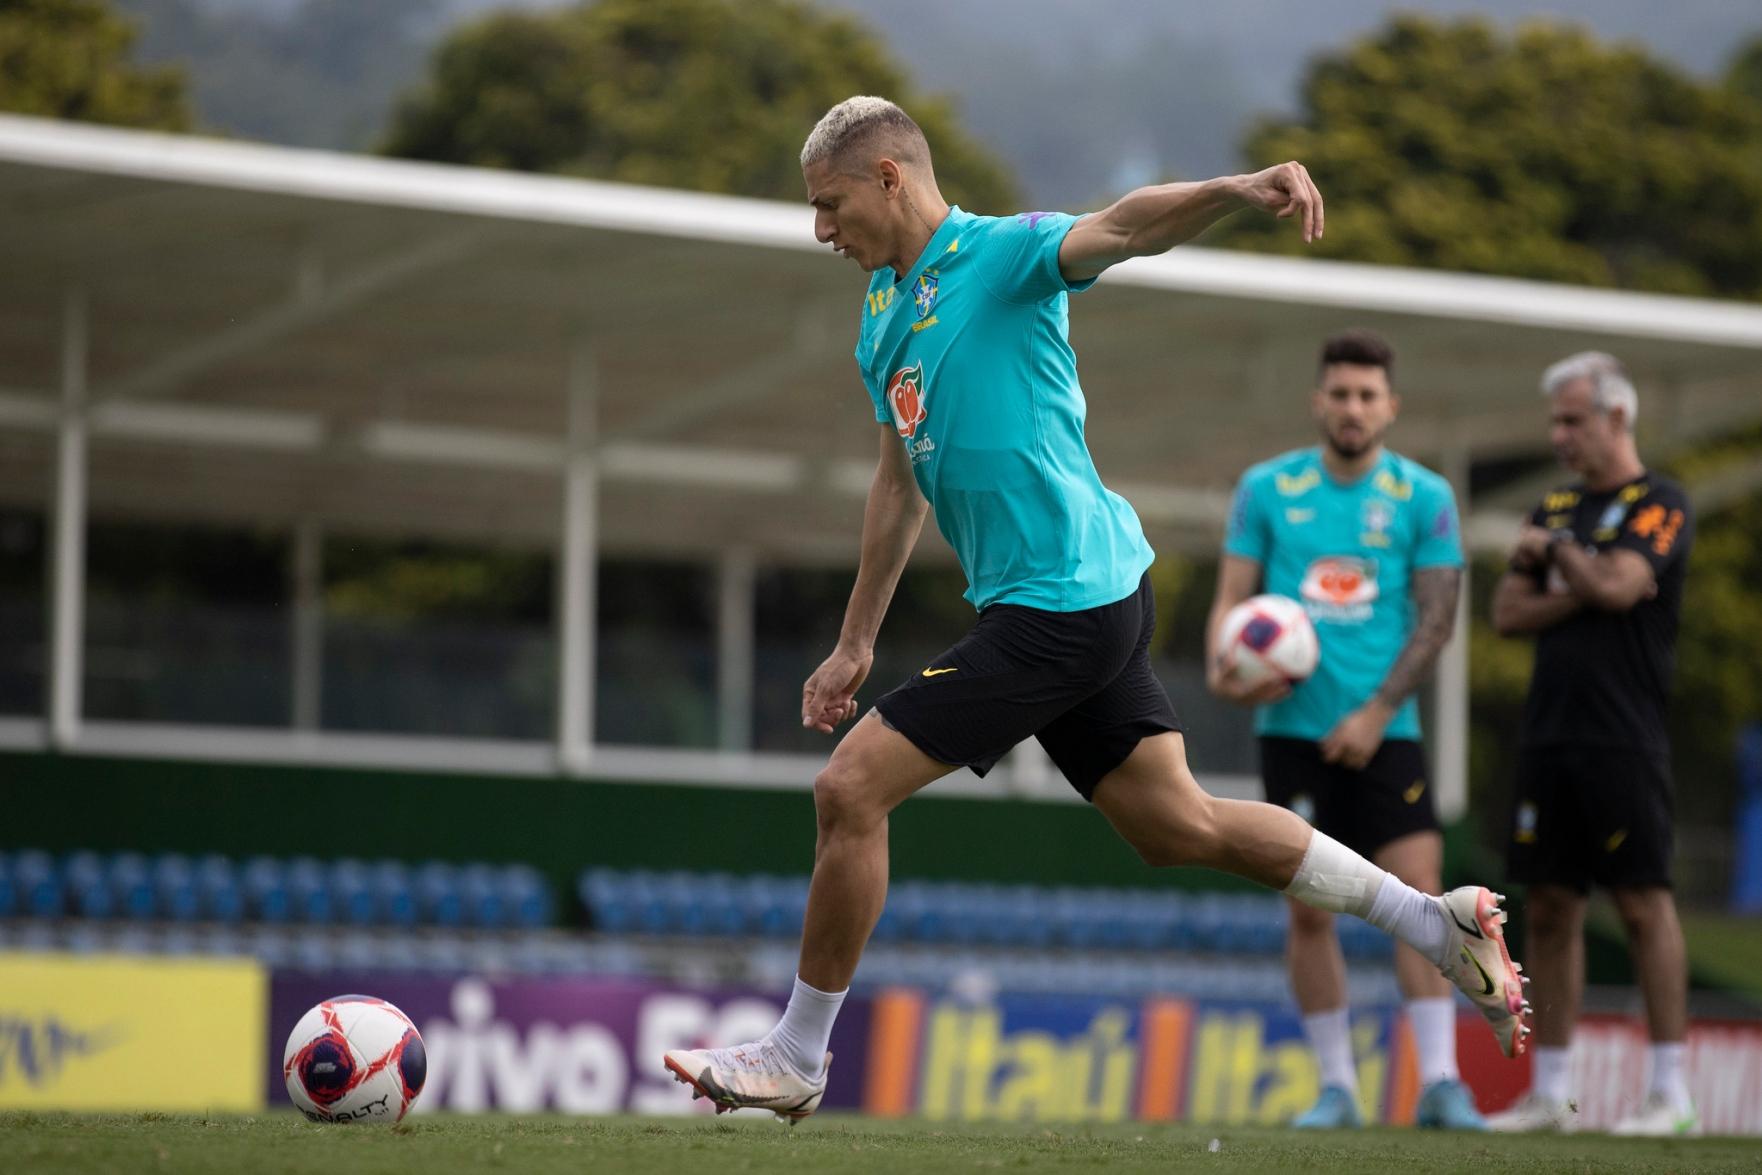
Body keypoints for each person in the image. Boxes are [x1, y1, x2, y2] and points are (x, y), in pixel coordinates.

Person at [662, 95, 1528, 1121]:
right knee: (1178, 823)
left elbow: (1122, 225)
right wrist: (855, 640)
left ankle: (798, 1050)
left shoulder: (1005, 255)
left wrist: (1233, 189)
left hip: (1060, 601)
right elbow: (899, 485)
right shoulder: (879, 315)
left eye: (829, 203)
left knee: (850, 788)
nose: (820, 229)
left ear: (889, 178)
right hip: (1079, 598)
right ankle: (1434, 922)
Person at [1205, 329, 1484, 1131]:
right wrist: (1225, 664)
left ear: (1390, 406)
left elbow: (1437, 622)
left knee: (1424, 899)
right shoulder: (1267, 487)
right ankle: (1337, 1088)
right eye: (1340, 393)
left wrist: (1372, 711)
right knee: (1307, 911)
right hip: (1289, 729)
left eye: (1368, 395)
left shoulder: (1425, 496)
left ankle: (1438, 1080)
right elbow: (1232, 601)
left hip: (1386, 731)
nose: (1353, 407)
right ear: (1317, 400)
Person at [1486, 353, 1698, 1136]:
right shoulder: (1556, 503)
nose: (1559, 435)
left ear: (1617, 417)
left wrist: (1563, 561)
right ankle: (1553, 1095)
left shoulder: (1661, 501)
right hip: (1550, 735)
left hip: (1624, 739)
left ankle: (1671, 1092)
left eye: (1572, 420)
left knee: (1644, 903)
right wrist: (1590, 576)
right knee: (1548, 906)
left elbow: (1617, 588)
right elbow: (1508, 611)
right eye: (1556, 421)